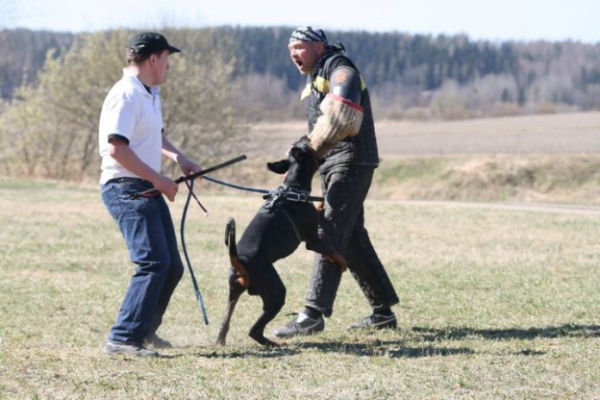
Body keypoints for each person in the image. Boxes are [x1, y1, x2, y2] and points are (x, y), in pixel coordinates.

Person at [274, 27, 400, 338]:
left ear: (319, 46)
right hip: (333, 164)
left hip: (351, 161)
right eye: (290, 49)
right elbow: (319, 127)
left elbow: (341, 115)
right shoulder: (316, 74)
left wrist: (308, 154)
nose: (293, 54)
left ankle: (312, 315)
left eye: (300, 47)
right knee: (352, 236)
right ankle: (383, 310)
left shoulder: (339, 67)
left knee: (328, 232)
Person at [98, 32, 201, 357]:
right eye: (167, 58)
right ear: (153, 59)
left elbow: (154, 135)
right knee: (154, 263)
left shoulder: (149, 93)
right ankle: (123, 339)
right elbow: (116, 148)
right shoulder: (126, 95)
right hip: (125, 188)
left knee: (171, 266)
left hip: (144, 186)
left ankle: (144, 331)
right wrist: (158, 179)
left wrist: (178, 158)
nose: (168, 66)